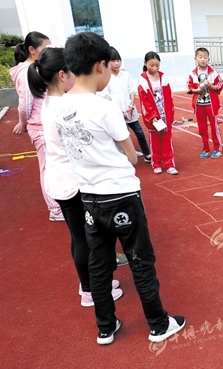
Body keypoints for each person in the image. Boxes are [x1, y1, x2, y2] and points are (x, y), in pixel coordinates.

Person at [54, 32, 185, 345]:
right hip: (121, 195)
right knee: (140, 259)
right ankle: (157, 323)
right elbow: (130, 154)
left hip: (89, 197)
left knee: (99, 265)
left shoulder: (59, 108)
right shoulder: (103, 108)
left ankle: (105, 326)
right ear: (100, 66)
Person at [27, 46, 123, 307]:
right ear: (61, 74)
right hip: (70, 181)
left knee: (80, 236)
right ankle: (90, 290)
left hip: (62, 178)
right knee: (84, 238)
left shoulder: (50, 101)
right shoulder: (62, 105)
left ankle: (90, 284)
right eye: (72, 71)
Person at [9, 31, 64, 222]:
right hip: (39, 126)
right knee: (47, 167)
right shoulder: (26, 72)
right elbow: (25, 103)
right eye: (45, 48)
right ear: (32, 50)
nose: (48, 50)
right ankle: (55, 208)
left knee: (55, 164)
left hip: (46, 123)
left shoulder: (35, 68)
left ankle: (59, 203)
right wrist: (23, 123)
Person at [99, 47, 152, 163]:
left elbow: (132, 92)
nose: (117, 63)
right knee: (123, 136)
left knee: (140, 133)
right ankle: (126, 156)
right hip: (118, 114)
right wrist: (119, 112)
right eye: (113, 61)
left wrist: (131, 107)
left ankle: (147, 153)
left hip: (130, 112)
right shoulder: (106, 78)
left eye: (118, 60)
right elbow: (106, 98)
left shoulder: (126, 75)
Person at [138, 51, 177, 174]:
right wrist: (152, 116)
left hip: (165, 113)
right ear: (145, 63)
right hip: (153, 116)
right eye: (151, 65)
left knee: (167, 139)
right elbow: (144, 101)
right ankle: (156, 164)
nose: (154, 68)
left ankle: (169, 164)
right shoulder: (143, 79)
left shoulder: (163, 77)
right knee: (155, 140)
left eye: (157, 65)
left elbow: (169, 95)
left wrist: (170, 112)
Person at [187, 47, 223, 159]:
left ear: (209, 59)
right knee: (202, 129)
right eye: (200, 57)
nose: (203, 59)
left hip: (210, 105)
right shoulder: (193, 73)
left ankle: (218, 148)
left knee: (214, 127)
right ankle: (205, 149)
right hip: (199, 105)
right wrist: (196, 90)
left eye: (205, 57)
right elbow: (189, 86)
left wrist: (211, 86)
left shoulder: (213, 72)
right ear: (195, 59)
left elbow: (220, 84)